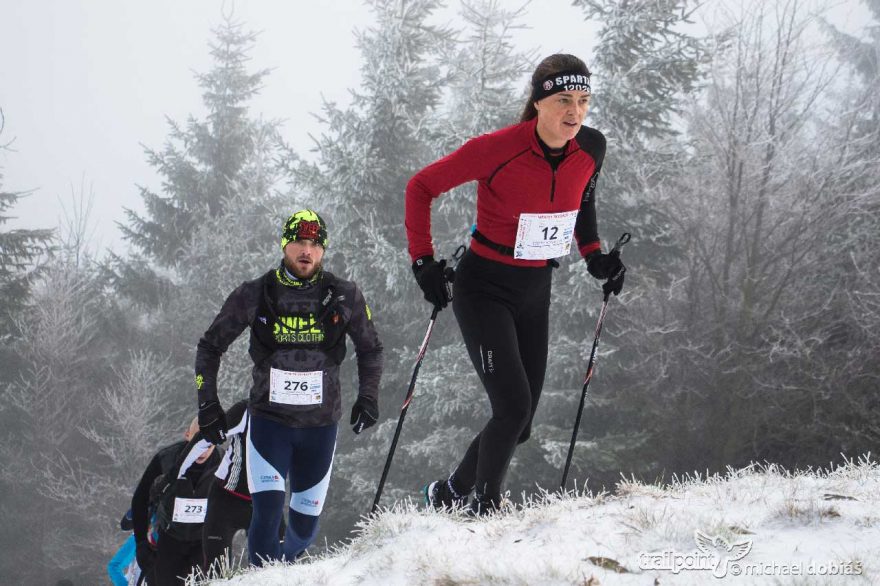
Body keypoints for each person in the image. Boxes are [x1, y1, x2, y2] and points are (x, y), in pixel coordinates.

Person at [405, 54, 626, 514]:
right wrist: (423, 261)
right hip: (483, 288)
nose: (575, 111)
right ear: (540, 101)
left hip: (534, 289)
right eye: (564, 99)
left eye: (583, 101)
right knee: (511, 407)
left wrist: (594, 257)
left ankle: (448, 493)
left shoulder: (592, 149)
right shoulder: (497, 148)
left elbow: (582, 203)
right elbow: (421, 187)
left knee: (519, 421)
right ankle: (484, 508)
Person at [194, 209, 383, 566]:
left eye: (314, 243)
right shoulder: (255, 293)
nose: (306, 250)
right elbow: (209, 347)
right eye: (298, 241)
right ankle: (265, 577)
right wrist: (208, 404)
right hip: (269, 424)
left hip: (320, 427)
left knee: (304, 529)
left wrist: (368, 398)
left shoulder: (344, 295)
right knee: (265, 513)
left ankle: (285, 568)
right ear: (284, 244)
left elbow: (371, 348)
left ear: (323, 250)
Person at [131, 417, 220, 585]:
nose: (202, 451)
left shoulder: (223, 462)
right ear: (187, 435)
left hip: (202, 541)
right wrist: (141, 543)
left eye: (209, 445)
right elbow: (140, 499)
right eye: (197, 442)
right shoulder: (166, 459)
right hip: (169, 538)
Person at [171, 398, 253, 574]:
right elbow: (206, 434)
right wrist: (170, 478)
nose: (205, 452)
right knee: (216, 573)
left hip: (263, 503)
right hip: (226, 500)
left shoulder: (297, 416)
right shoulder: (168, 457)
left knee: (276, 564)